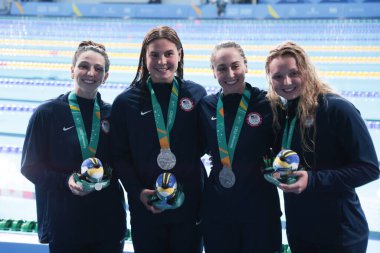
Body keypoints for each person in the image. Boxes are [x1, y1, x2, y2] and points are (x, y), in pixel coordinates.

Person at [265, 41, 380, 253]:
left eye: (294, 73)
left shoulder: (336, 109)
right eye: (278, 76)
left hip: (339, 235)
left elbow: (370, 168)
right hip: (300, 232)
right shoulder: (283, 113)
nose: (287, 82)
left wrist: (313, 180)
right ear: (270, 80)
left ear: (307, 72)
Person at [21, 41, 127, 253]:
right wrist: (65, 180)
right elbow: (30, 167)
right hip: (65, 223)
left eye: (99, 69)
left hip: (108, 223)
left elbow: (125, 162)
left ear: (105, 77)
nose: (91, 72)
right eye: (84, 66)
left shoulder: (113, 115)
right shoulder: (47, 113)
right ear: (72, 70)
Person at [110, 26, 207, 253]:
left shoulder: (196, 95)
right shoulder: (126, 102)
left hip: (189, 202)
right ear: (144, 57)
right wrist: (137, 191)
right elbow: (119, 155)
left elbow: (207, 143)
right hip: (146, 204)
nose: (162, 61)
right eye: (154, 54)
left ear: (179, 55)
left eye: (169, 54)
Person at [198, 41, 282, 253]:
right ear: (213, 71)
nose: (230, 74)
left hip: (260, 206)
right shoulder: (206, 106)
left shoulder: (268, 103)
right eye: (222, 68)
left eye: (235, 66)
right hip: (218, 207)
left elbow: (286, 150)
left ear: (246, 65)